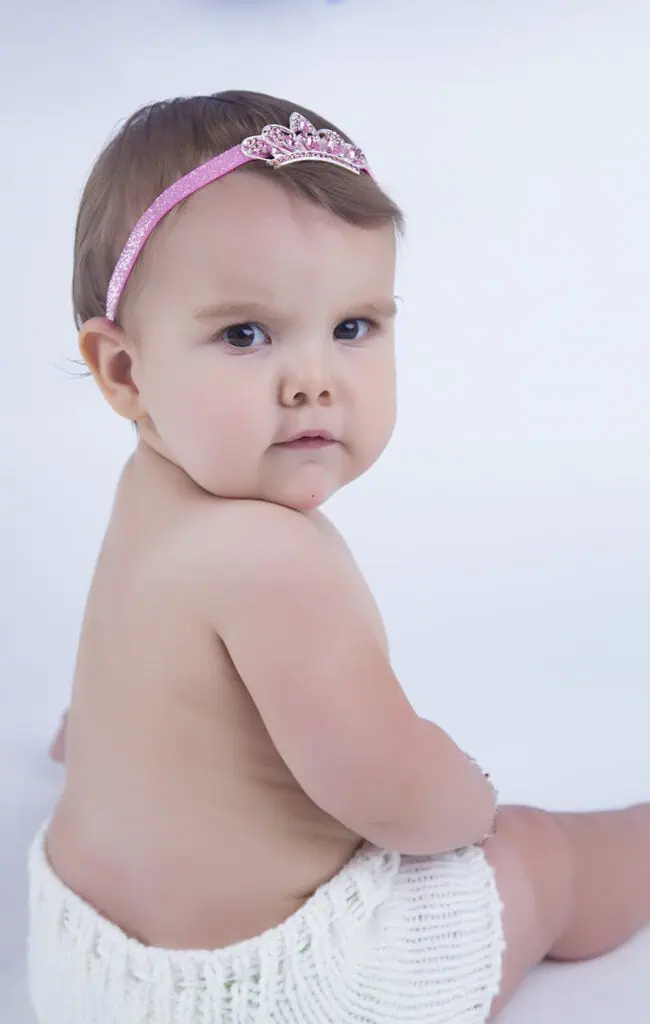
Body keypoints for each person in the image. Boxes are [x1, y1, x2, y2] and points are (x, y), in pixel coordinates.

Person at [28, 89, 650, 1024]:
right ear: (124, 370)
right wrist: (468, 803)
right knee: (538, 856)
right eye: (245, 334)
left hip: (88, 969)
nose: (314, 380)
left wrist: (99, 735)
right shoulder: (273, 560)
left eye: (353, 327)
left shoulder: (152, 494)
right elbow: (393, 791)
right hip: (281, 993)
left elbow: (146, 657)